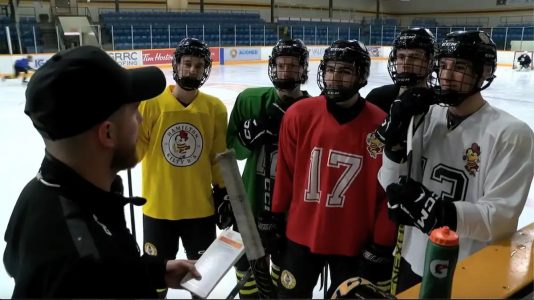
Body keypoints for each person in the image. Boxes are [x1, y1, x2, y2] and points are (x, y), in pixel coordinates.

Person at [3, 45, 201, 298]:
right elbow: (93, 271)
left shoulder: (41, 193)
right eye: (133, 112)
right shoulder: (82, 267)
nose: (141, 121)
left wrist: (151, 271)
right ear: (107, 133)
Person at [378, 30, 534, 293]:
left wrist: (441, 213)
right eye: (444, 66)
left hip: (467, 267)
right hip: (412, 259)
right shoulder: (425, 117)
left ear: (484, 72)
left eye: (459, 67)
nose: (447, 75)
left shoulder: (511, 134)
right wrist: (394, 149)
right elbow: (391, 184)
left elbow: (500, 218)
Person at [271, 40, 397, 298]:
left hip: (354, 243)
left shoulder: (381, 125)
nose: (335, 78)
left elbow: (387, 192)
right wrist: (275, 218)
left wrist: (382, 243)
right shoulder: (298, 115)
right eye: (330, 70)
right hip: (300, 234)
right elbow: (285, 174)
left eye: (345, 71)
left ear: (360, 76)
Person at [136, 37, 228, 298]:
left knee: (200, 279)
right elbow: (135, 150)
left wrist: (223, 191)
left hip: (199, 211)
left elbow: (217, 156)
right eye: (187, 64)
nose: (192, 70)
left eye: (198, 66)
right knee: (155, 280)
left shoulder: (215, 108)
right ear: (176, 65)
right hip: (157, 209)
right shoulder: (151, 104)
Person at [226, 38, 311, 298]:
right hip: (250, 205)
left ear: (303, 69)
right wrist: (248, 136)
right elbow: (233, 153)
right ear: (272, 67)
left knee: (281, 279)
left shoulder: (314, 110)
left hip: (291, 212)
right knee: (247, 274)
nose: (285, 71)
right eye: (281, 65)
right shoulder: (250, 100)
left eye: (292, 66)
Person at [366, 28, 436, 113]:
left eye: (414, 57)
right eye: (401, 57)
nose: (405, 64)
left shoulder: (440, 104)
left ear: (430, 61)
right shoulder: (377, 98)